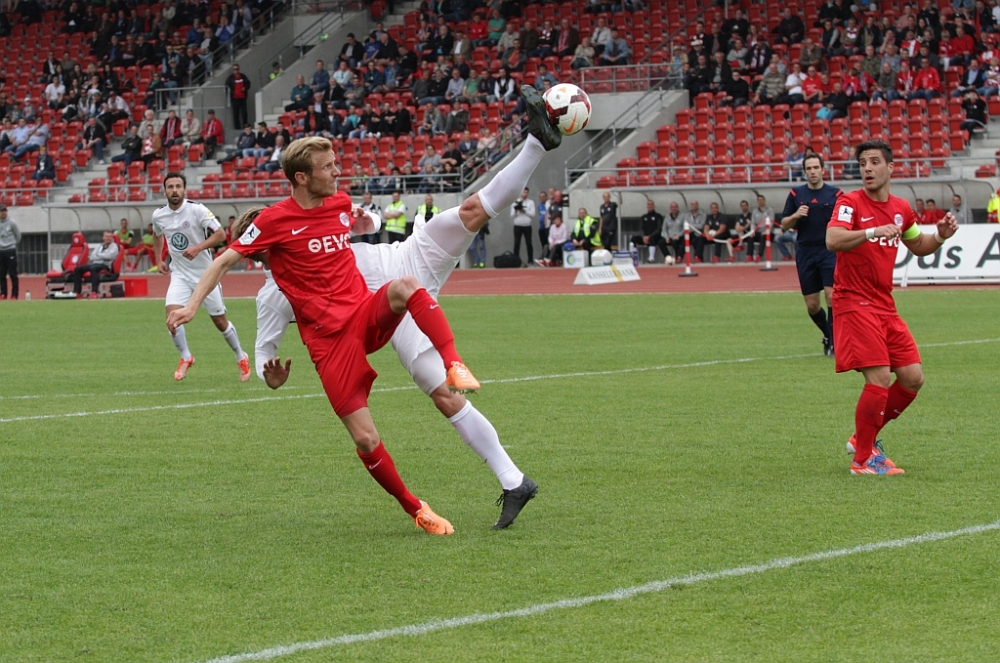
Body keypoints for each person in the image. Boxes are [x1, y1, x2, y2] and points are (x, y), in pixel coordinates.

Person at [827, 140, 959, 475]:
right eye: (862, 163)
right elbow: (833, 239)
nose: (867, 168)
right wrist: (871, 231)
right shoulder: (849, 203)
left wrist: (940, 236)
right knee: (880, 377)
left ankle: (863, 440)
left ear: (890, 167)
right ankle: (862, 461)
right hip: (853, 301)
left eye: (874, 162)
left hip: (884, 304)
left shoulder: (901, 209)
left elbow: (919, 245)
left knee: (912, 378)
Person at [153, 172, 251, 382]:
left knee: (220, 321)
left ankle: (240, 356)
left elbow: (220, 235)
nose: (174, 190)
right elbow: (157, 234)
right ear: (165, 191)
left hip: (206, 275)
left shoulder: (197, 210)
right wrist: (159, 259)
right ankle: (186, 357)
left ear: (184, 189)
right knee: (172, 319)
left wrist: (198, 247)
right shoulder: (159, 215)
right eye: (170, 187)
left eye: (178, 186)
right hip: (180, 275)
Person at [780, 153, 842, 357]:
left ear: (823, 170)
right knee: (812, 305)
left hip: (828, 250)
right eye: (809, 168)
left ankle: (835, 344)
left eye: (816, 167)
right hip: (805, 252)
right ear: (804, 171)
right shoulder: (796, 194)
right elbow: (783, 224)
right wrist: (796, 215)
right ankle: (827, 335)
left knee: (831, 296)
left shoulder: (836, 194)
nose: (813, 171)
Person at [72, 230, 120, 299]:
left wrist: (98, 255)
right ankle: (77, 292)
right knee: (78, 269)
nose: (108, 238)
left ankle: (94, 292)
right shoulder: (99, 246)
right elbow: (92, 257)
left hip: (105, 266)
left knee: (94, 268)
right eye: (106, 236)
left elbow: (109, 256)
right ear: (103, 237)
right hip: (95, 264)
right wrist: (102, 256)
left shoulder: (114, 247)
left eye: (110, 237)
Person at [511, 187, 535, 266]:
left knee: (529, 243)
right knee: (517, 243)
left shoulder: (531, 202)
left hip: (527, 225)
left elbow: (533, 214)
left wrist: (524, 210)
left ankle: (530, 260)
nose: (525, 194)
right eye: (524, 192)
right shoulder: (515, 202)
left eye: (526, 192)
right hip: (517, 225)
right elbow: (512, 215)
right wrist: (516, 209)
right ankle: (516, 261)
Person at [0, 204, 20, 300]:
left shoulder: (12, 222)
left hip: (10, 250)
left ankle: (14, 294)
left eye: (5, 210)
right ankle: (3, 293)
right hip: (1, 251)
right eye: (2, 211)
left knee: (13, 274)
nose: (4, 212)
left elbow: (18, 235)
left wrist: (12, 244)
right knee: (1, 274)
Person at [225, 63, 251, 129]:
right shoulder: (230, 78)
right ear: (232, 70)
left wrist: (245, 88)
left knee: (244, 113)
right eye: (234, 69)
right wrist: (232, 93)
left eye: (237, 69)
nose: (236, 70)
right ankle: (237, 128)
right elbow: (227, 87)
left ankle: (245, 126)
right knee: (236, 114)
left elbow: (248, 83)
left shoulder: (243, 76)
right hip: (235, 98)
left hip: (243, 98)